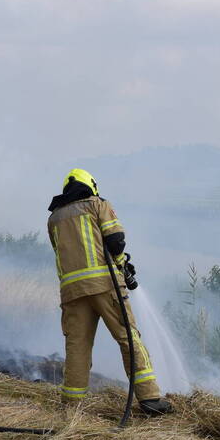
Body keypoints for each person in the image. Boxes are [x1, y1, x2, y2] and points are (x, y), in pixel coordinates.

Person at [46, 168, 173, 415]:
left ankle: (72, 406)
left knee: (77, 345)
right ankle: (149, 398)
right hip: (105, 285)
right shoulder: (97, 204)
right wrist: (122, 262)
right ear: (90, 185)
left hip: (72, 291)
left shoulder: (54, 219)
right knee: (128, 337)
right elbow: (115, 240)